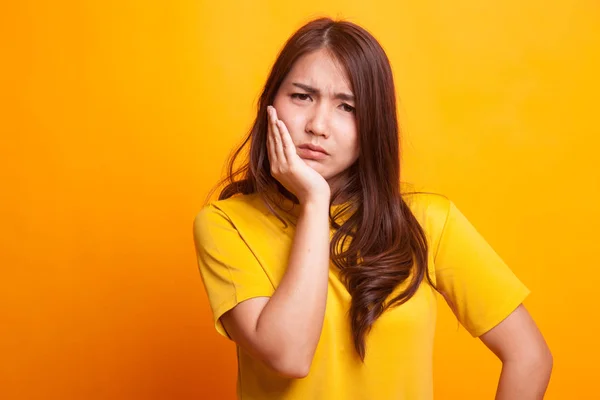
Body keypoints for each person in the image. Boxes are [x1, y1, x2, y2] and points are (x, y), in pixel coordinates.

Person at [193, 17, 552, 400]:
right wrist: (315, 200)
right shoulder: (225, 225)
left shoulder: (427, 222)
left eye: (347, 106)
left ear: (374, 125)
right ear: (270, 105)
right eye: (302, 96)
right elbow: (290, 355)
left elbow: (529, 356)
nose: (318, 125)